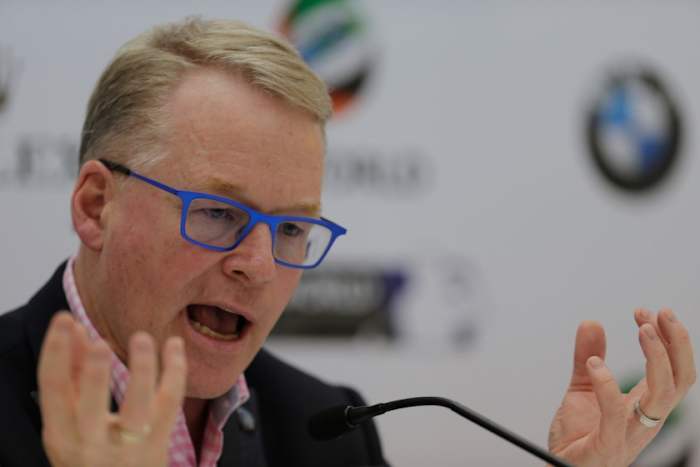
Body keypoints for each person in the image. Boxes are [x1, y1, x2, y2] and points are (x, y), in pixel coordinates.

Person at [0, 17, 694, 467]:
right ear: (96, 206)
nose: (258, 265)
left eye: (291, 228)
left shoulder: (325, 431)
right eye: (216, 213)